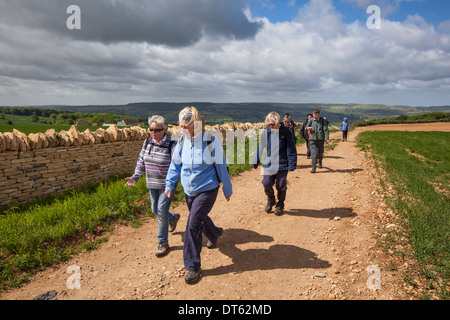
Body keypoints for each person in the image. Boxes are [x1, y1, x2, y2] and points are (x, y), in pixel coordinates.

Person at [165, 106, 232, 284]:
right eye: (180, 126)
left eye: (185, 126)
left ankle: (193, 267)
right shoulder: (181, 142)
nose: (182, 129)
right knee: (200, 218)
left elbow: (221, 167)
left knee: (193, 224)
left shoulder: (211, 142)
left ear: (196, 125)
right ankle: (214, 234)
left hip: (208, 189)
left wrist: (227, 189)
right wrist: (170, 184)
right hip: (189, 191)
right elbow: (175, 166)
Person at [125, 115, 180, 257]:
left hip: (167, 185)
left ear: (164, 130)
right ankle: (173, 218)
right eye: (151, 129)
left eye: (156, 130)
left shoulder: (172, 145)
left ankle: (163, 242)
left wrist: (171, 184)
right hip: (152, 183)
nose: (153, 132)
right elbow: (141, 161)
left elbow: (176, 166)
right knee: (155, 210)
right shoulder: (147, 143)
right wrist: (135, 177)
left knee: (161, 211)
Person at [253, 112, 297, 216]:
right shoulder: (266, 132)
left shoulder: (286, 132)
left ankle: (280, 204)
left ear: (278, 122)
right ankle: (271, 199)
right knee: (266, 183)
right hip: (269, 163)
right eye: (269, 124)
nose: (271, 126)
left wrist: (292, 164)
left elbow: (291, 149)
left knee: (281, 185)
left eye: (273, 124)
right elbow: (261, 147)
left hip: (282, 164)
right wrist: (256, 160)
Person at [304, 109, 329, 173]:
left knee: (320, 152)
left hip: (320, 139)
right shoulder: (311, 120)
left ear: (318, 115)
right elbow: (306, 126)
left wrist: (326, 138)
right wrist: (307, 128)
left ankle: (320, 161)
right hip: (312, 139)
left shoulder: (322, 120)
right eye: (313, 115)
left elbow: (326, 130)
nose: (314, 117)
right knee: (313, 153)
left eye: (316, 115)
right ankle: (314, 166)